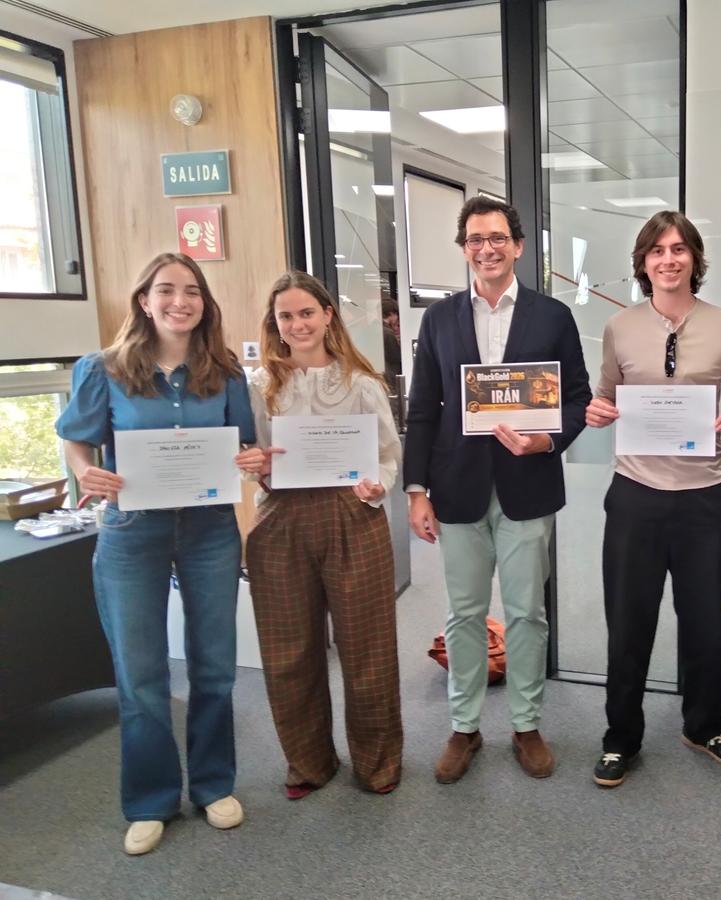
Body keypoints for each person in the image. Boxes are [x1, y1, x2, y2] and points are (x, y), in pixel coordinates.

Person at [55, 252, 256, 856]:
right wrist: (87, 472)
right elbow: (76, 440)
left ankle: (214, 784)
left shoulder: (224, 373)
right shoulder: (103, 370)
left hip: (210, 529)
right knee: (141, 674)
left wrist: (252, 460)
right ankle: (150, 800)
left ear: (204, 302)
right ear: (143, 300)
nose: (180, 301)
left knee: (215, 665)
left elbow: (243, 443)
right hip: (132, 531)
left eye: (191, 291)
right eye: (166, 290)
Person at [404, 195, 591, 784]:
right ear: (464, 249)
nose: (486, 248)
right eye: (474, 239)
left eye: (497, 238)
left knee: (527, 612)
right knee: (463, 614)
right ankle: (464, 728)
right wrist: (415, 489)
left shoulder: (552, 316)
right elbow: (423, 410)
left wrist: (548, 440)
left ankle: (527, 724)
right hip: (456, 488)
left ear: (517, 245)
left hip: (527, 486)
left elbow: (579, 400)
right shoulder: (438, 320)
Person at [584, 211, 721, 788]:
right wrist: (597, 410)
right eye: (657, 250)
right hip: (635, 496)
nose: (668, 259)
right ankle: (620, 737)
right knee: (629, 623)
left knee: (705, 623)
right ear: (643, 262)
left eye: (679, 249)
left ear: (694, 260)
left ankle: (705, 724)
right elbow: (604, 396)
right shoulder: (620, 327)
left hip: (705, 499)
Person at [238, 271, 404, 799]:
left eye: (307, 312)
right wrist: (255, 466)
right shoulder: (259, 385)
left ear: (327, 315)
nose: (298, 323)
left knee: (368, 648)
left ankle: (377, 761)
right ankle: (308, 762)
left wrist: (378, 486)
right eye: (286, 316)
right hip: (282, 517)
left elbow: (386, 454)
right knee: (290, 651)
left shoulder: (361, 382)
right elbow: (251, 456)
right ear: (276, 324)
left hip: (352, 514)